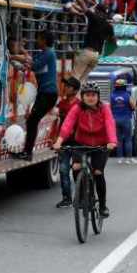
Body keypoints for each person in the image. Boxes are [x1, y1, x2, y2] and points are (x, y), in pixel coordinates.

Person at [53, 82, 117, 218]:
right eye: (87, 95)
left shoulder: (104, 108)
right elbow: (68, 123)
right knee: (76, 167)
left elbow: (110, 124)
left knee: (98, 172)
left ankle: (103, 206)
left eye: (93, 95)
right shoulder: (77, 108)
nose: (90, 98)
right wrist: (59, 141)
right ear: (82, 96)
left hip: (101, 145)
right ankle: (81, 195)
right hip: (81, 142)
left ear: (98, 97)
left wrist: (112, 141)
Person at [14, 30, 58, 161]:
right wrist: (22, 51)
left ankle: (27, 153)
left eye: (38, 38)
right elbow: (31, 63)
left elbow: (34, 65)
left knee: (32, 120)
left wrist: (14, 56)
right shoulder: (44, 53)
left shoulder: (49, 53)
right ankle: (27, 152)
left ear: (44, 40)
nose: (37, 41)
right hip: (44, 93)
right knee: (32, 120)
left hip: (48, 94)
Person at [72, 1, 115, 83]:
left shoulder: (94, 18)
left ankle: (73, 95)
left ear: (98, 11)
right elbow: (113, 41)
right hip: (96, 56)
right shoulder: (109, 26)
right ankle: (80, 95)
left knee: (75, 77)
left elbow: (83, 6)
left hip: (87, 52)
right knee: (83, 79)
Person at [55, 77, 81, 209]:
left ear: (75, 90)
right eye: (65, 86)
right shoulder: (62, 104)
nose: (65, 88)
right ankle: (66, 198)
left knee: (77, 170)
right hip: (64, 143)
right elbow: (56, 122)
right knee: (63, 170)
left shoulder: (80, 105)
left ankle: (81, 197)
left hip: (78, 143)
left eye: (69, 86)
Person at [111, 79, 137, 165]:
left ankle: (120, 158)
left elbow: (109, 107)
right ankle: (129, 159)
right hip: (126, 119)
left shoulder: (112, 96)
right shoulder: (127, 95)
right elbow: (133, 106)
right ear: (124, 86)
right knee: (128, 139)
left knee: (118, 140)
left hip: (115, 120)